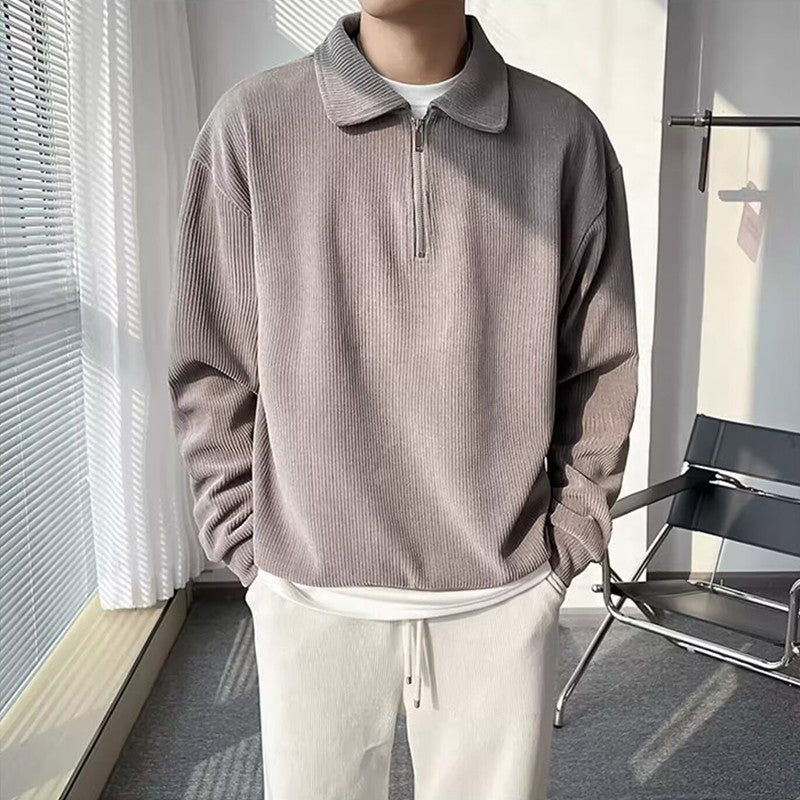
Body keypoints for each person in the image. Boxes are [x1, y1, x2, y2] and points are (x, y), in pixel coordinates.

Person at [167, 2, 639, 798]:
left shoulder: (565, 137)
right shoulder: (251, 126)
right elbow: (211, 362)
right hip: (307, 589)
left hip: (501, 592)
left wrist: (560, 554)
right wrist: (252, 556)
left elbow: (601, 363)